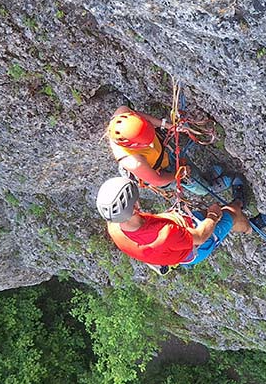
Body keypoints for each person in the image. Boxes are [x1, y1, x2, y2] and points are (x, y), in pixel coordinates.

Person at [95, 177, 254, 269]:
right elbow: (200, 236)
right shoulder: (164, 234)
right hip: (195, 245)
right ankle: (247, 220)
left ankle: (234, 219)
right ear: (135, 207)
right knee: (230, 214)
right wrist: (212, 216)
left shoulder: (114, 225)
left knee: (214, 215)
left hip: (179, 236)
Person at [106, 106, 231, 196]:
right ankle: (209, 188)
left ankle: (206, 177)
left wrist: (168, 126)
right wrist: (178, 175)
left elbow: (142, 117)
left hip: (164, 152)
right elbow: (157, 180)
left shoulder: (123, 114)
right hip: (163, 171)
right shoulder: (134, 162)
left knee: (188, 165)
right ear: (134, 146)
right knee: (193, 182)